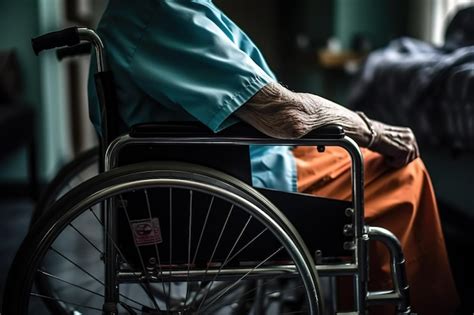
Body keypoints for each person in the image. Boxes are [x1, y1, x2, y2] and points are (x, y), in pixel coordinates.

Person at [88, 1, 459, 314]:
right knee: (401, 172)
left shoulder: (141, 11)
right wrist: (372, 130)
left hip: (224, 171)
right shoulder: (162, 13)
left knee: (363, 158)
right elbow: (289, 114)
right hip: (234, 187)